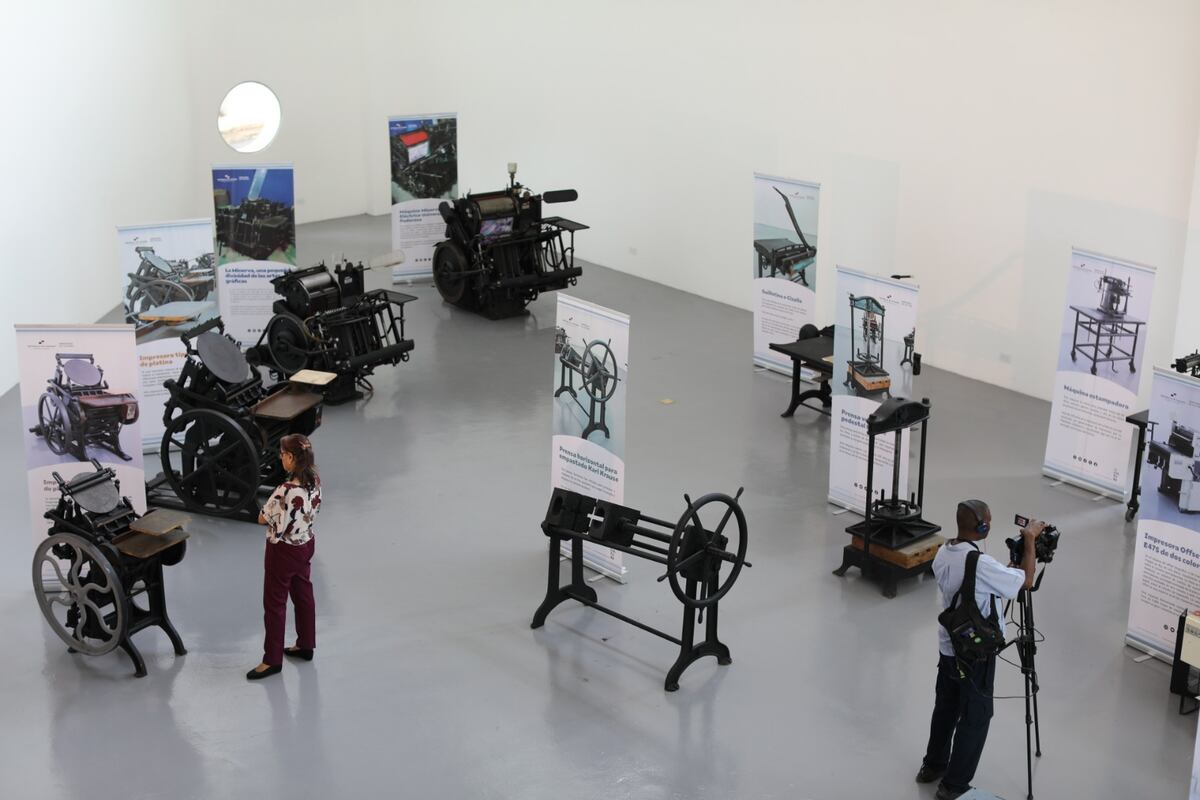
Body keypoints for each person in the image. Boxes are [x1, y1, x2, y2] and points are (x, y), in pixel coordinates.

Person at [915, 499, 1043, 799]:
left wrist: (1005, 570)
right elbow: (1026, 580)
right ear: (983, 527)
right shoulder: (981, 563)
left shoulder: (944, 552)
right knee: (975, 715)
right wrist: (1030, 539)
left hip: (949, 648)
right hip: (976, 655)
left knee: (945, 707)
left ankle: (932, 766)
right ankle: (954, 785)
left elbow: (978, 582)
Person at [247, 433, 322, 680]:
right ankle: (306, 644)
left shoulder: (285, 490)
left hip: (283, 551)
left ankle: (272, 660)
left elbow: (262, 518)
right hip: (306, 543)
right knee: (303, 594)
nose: (281, 459)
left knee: (275, 604)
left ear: (290, 457)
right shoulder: (314, 481)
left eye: (282, 455)